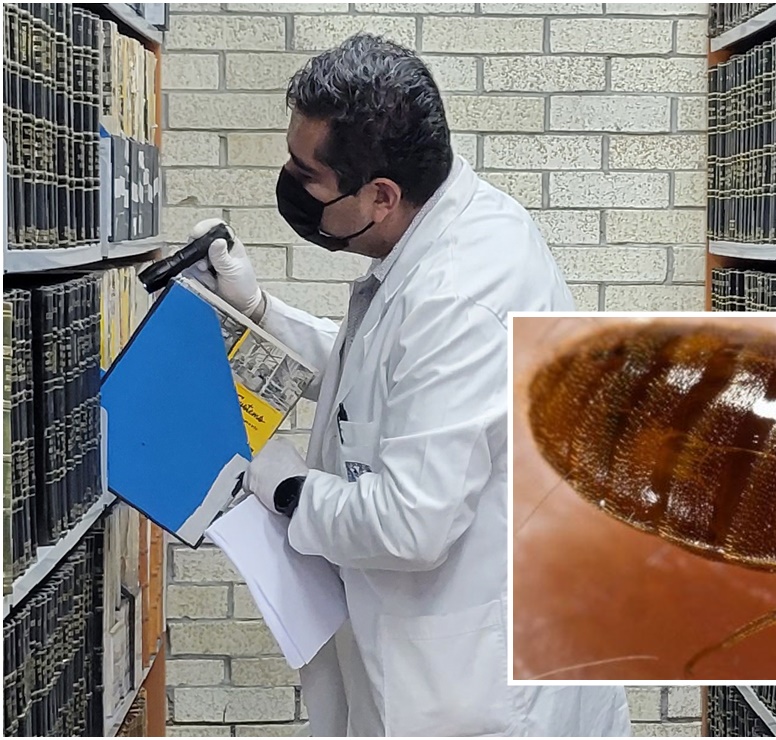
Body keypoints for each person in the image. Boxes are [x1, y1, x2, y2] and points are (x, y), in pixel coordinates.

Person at [185, 34, 631, 737]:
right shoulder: (446, 235)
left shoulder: (460, 291)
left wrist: (283, 486)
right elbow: (383, 373)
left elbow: (408, 523)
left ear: (381, 196)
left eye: (307, 177)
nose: (290, 187)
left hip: (472, 687)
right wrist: (259, 311)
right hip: (441, 649)